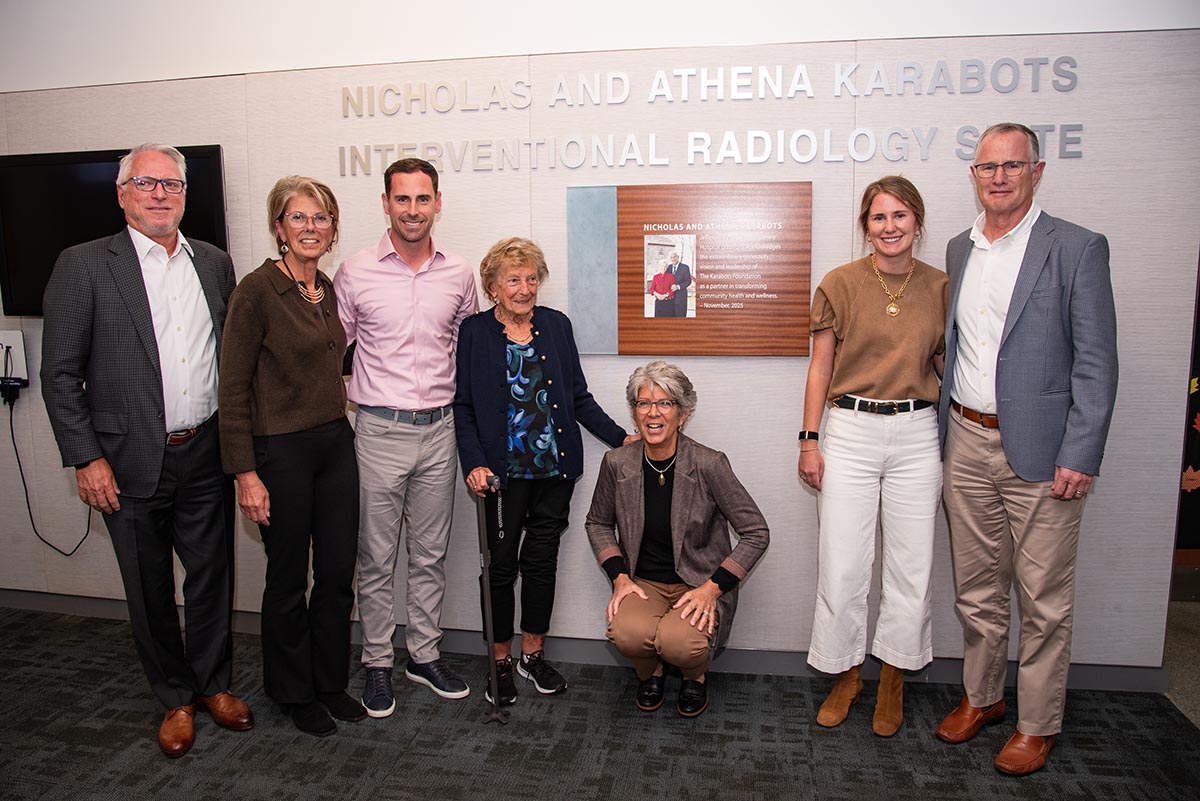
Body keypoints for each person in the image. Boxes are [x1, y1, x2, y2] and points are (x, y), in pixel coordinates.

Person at [41, 143, 251, 757]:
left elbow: (230, 365)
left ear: (185, 194)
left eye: (171, 184)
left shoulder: (213, 263)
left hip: (206, 451)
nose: (160, 194)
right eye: (146, 183)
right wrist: (86, 457)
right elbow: (60, 374)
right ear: (122, 193)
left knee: (213, 578)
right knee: (150, 586)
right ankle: (175, 698)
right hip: (126, 461)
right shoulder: (84, 265)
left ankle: (214, 685)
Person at [934, 123, 1117, 775]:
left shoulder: (1076, 247)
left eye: (1013, 165)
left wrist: (1082, 450)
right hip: (965, 439)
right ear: (975, 175)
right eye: (988, 166)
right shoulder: (960, 249)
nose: (1000, 177)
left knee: (1043, 597)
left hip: (1045, 452)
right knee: (976, 589)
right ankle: (983, 697)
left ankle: (1037, 724)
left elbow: (1096, 361)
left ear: (1037, 171)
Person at [798, 176, 948, 737]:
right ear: (866, 225)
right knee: (842, 564)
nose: (890, 227)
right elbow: (820, 366)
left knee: (911, 566)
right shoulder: (839, 283)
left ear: (917, 222)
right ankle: (846, 673)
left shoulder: (940, 287)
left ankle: (893, 676)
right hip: (851, 431)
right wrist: (809, 438)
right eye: (879, 217)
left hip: (917, 433)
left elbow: (946, 365)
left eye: (901, 216)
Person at [455, 236, 633, 705]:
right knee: (499, 567)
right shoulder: (474, 333)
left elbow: (577, 397)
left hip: (554, 470)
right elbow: (465, 406)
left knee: (540, 565)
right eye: (513, 279)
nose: (524, 287)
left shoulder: (555, 326)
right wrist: (473, 462)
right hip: (500, 475)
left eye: (532, 278)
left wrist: (621, 438)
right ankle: (499, 661)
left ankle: (532, 655)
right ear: (493, 285)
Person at [335, 158, 479, 718]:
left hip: (439, 431)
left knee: (430, 554)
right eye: (402, 199)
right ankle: (376, 662)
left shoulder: (460, 273)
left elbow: (465, 348)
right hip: (378, 431)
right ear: (385, 203)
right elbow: (332, 351)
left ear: (438, 203)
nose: (412, 210)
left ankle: (422, 654)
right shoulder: (355, 271)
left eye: (423, 199)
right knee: (374, 558)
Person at [218, 176, 361, 736]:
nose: (311, 228)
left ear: (332, 229)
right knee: (286, 578)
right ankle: (292, 690)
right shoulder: (256, 292)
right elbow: (231, 390)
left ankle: (329, 683)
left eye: (321, 218)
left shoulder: (323, 288)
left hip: (334, 444)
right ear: (279, 227)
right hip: (279, 452)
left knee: (334, 574)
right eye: (298, 218)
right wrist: (245, 474)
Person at [585, 361, 769, 718]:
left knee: (678, 643)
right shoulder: (616, 463)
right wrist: (620, 578)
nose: (653, 413)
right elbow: (597, 523)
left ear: (683, 414)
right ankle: (652, 672)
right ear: (634, 412)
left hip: (698, 585)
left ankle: (695, 677)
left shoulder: (708, 464)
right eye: (643, 403)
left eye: (665, 403)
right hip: (644, 584)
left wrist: (712, 589)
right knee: (625, 632)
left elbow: (756, 532)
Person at [668, 251, 692, 317]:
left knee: (680, 315)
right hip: (670, 298)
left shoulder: (685, 267)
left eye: (674, 257)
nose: (673, 259)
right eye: (671, 257)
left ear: (678, 257)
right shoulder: (668, 267)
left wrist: (678, 287)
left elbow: (688, 281)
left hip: (681, 297)